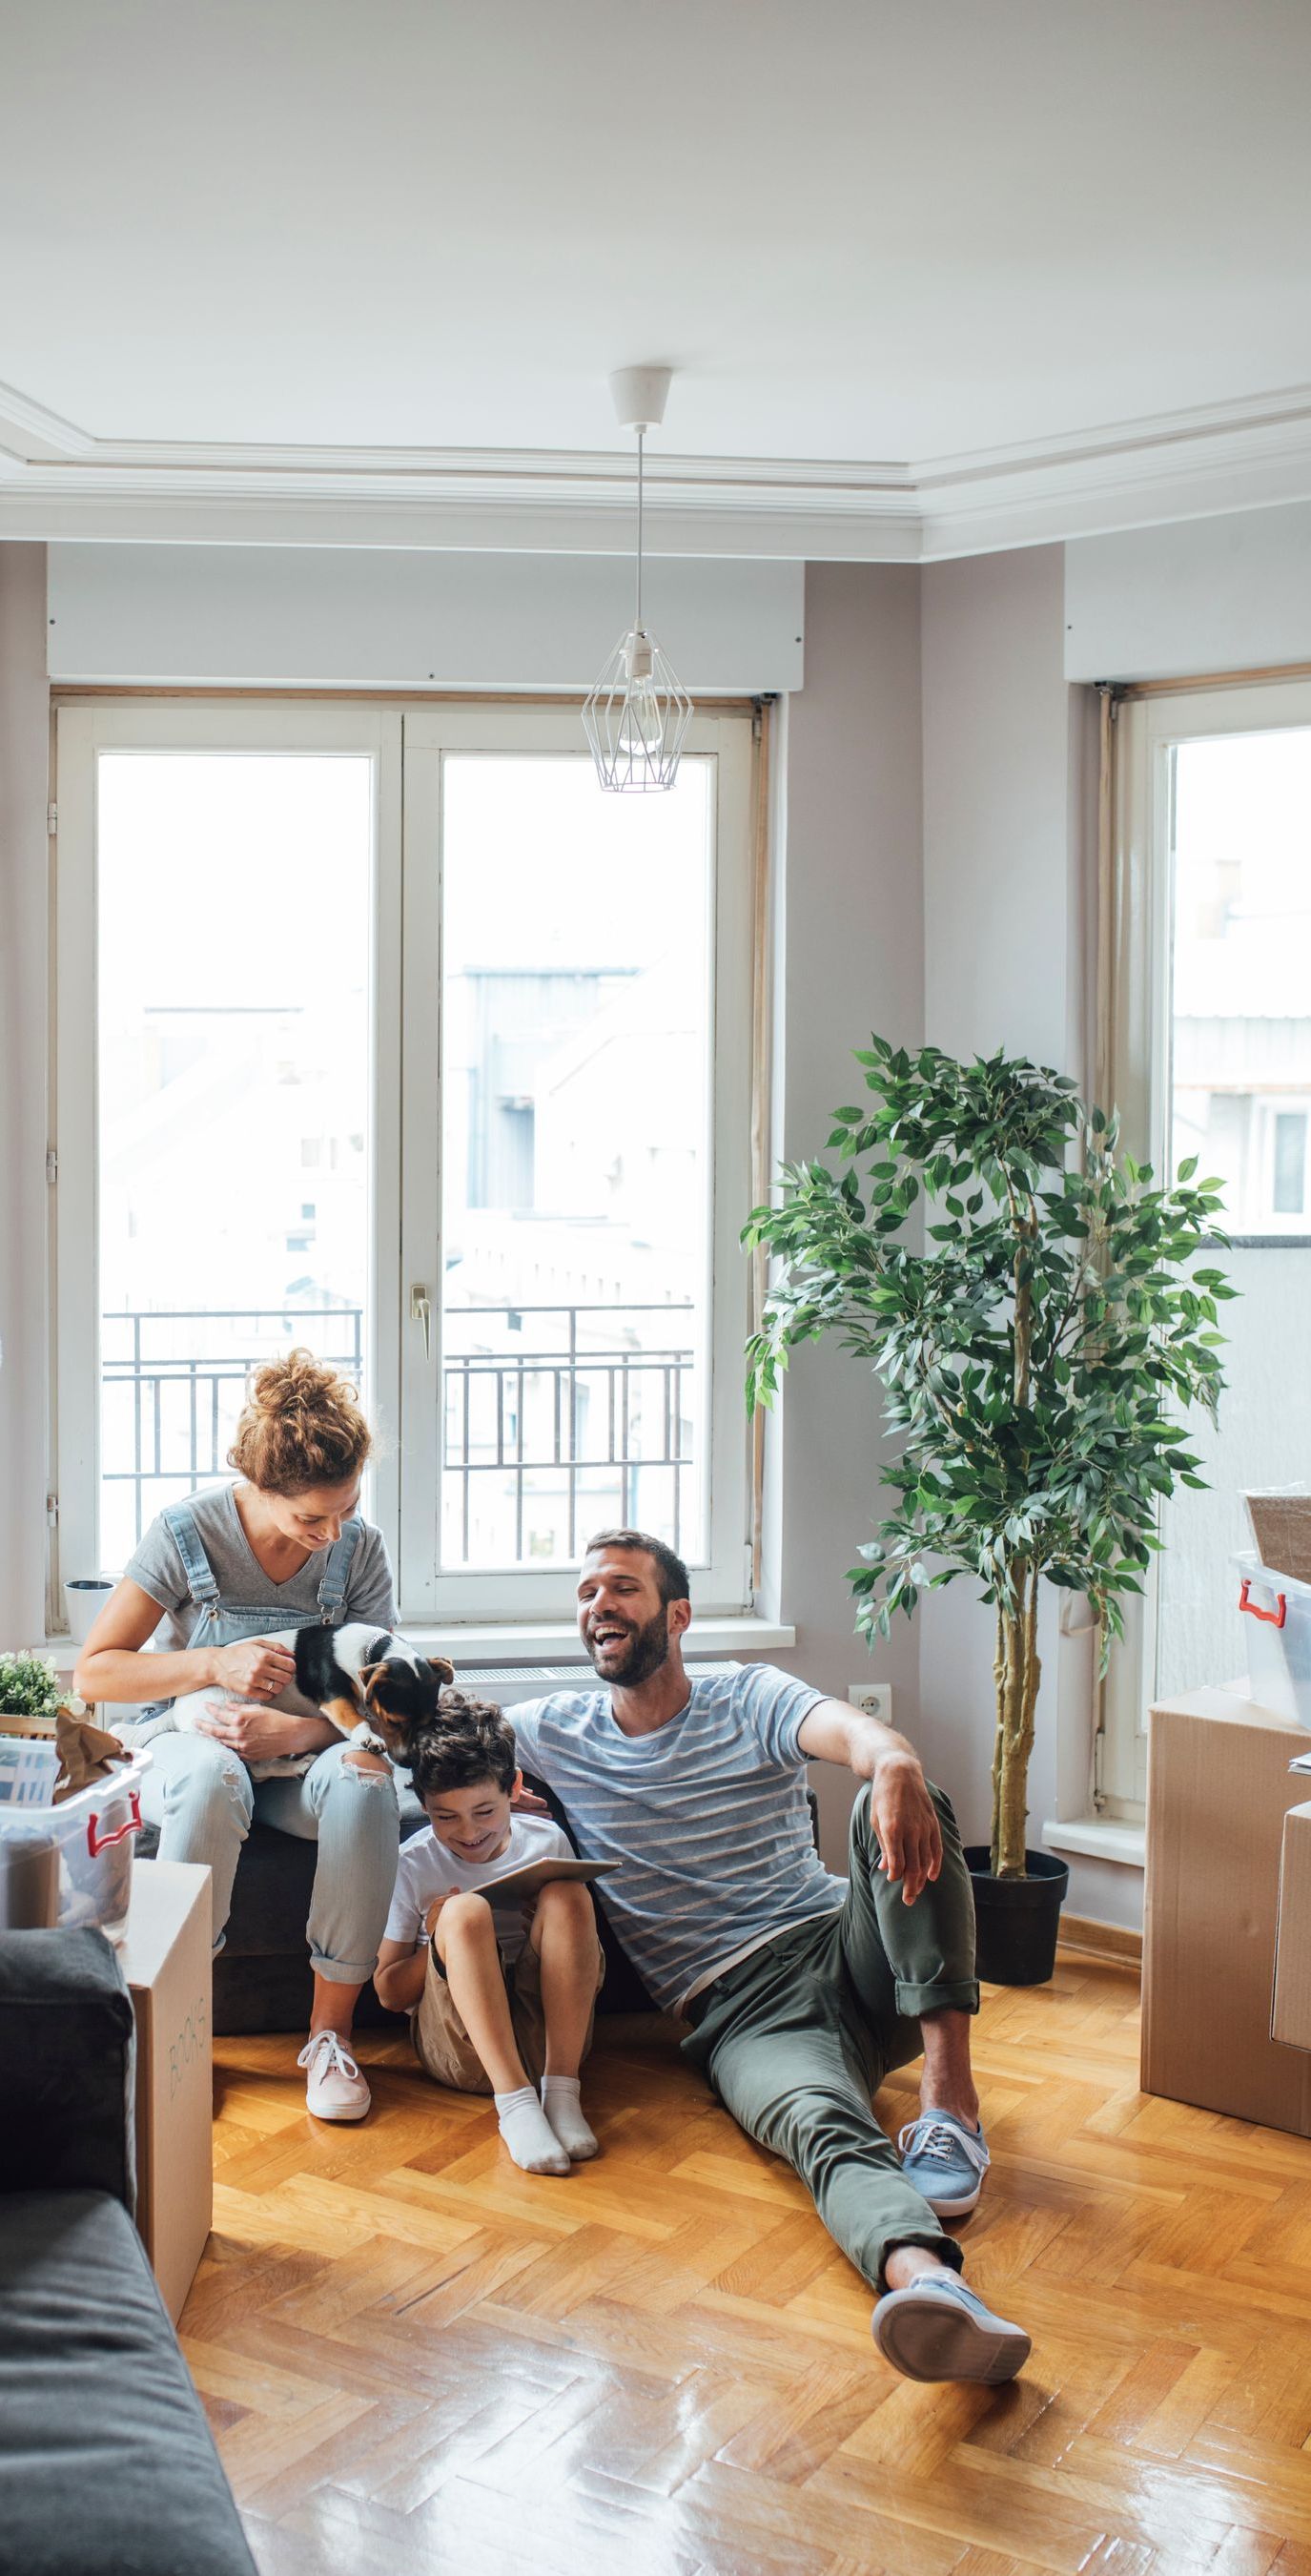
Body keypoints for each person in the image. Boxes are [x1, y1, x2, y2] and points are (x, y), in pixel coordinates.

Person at [504, 1527, 1032, 2386]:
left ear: (676, 1615)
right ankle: (931, 2288)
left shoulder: (749, 1694)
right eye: (586, 1593)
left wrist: (893, 1759)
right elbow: (424, 1734)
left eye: (621, 1589)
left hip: (849, 1948)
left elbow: (856, 1734)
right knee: (819, 2128)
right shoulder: (550, 1730)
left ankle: (949, 2103)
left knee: (898, 1794)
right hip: (743, 2014)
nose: (598, 1605)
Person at [74, 1349, 401, 2124]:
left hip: (303, 1754)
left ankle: (330, 2037)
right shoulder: (186, 1532)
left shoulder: (358, 1549)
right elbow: (95, 1673)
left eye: (346, 1508)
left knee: (364, 1787)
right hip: (188, 1741)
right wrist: (213, 1661)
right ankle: (176, 2035)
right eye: (310, 1517)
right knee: (210, 1780)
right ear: (259, 1486)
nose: (331, 1532)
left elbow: (387, 1697)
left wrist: (299, 1726)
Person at [374, 1691, 605, 2175]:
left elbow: (571, 1938)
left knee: (567, 1893)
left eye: (484, 1812)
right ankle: (516, 2105)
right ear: (423, 1805)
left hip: (549, 2044)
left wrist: (540, 1927)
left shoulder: (545, 1840)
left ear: (513, 1788)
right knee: (464, 1913)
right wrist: (436, 1936)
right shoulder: (414, 1864)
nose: (469, 1832)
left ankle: (563, 2094)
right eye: (445, 1817)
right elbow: (389, 1992)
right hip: (461, 2050)